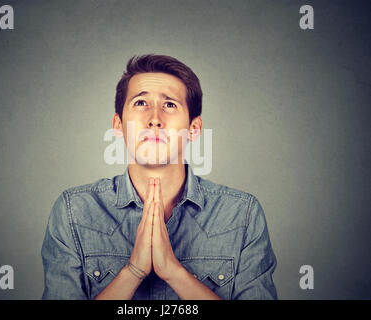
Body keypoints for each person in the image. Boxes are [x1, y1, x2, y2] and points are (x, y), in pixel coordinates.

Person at [41, 54, 278, 300]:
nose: (154, 119)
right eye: (141, 103)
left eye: (170, 105)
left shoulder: (242, 214)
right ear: (118, 124)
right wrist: (133, 272)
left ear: (193, 129)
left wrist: (174, 272)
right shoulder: (73, 212)